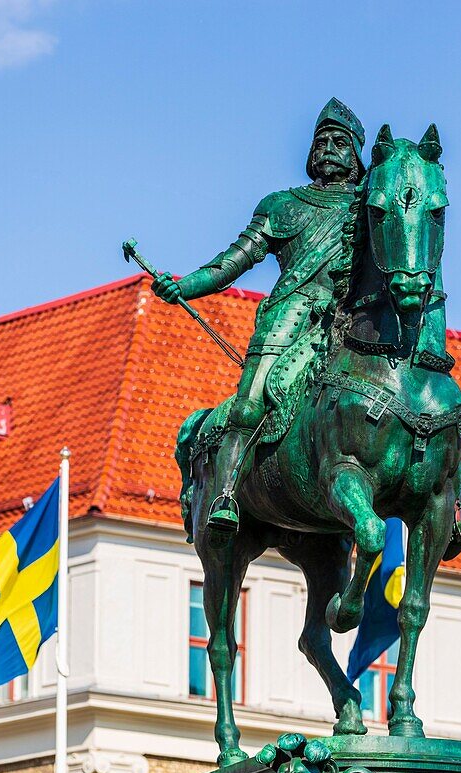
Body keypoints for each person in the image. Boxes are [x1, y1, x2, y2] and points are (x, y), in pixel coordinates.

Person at [153, 98, 365, 532]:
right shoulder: (282, 205)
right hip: (292, 315)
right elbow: (234, 261)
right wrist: (185, 285)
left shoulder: (370, 207)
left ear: (357, 156)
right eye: (320, 140)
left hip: (350, 318)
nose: (327, 148)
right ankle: (227, 492)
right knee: (251, 403)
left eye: (339, 142)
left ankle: (445, 501)